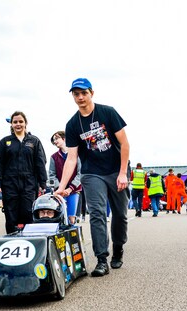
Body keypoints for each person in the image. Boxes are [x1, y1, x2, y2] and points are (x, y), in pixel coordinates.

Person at [55, 78, 130, 277]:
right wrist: (62, 187)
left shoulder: (108, 112)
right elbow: (71, 159)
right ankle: (101, 259)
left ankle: (119, 247)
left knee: (120, 215)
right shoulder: (73, 124)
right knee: (96, 214)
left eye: (83, 93)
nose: (80, 97)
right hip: (92, 172)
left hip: (116, 170)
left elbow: (124, 144)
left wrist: (123, 173)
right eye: (76, 94)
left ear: (91, 93)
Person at [0, 111, 47, 234]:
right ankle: (12, 239)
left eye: (21, 121)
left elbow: (40, 162)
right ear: (11, 124)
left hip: (29, 183)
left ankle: (29, 240)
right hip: (9, 183)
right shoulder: (5, 142)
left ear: (25, 123)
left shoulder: (34, 141)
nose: (18, 124)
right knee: (11, 214)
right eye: (15, 122)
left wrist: (43, 183)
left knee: (28, 212)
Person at [49, 130, 82, 225]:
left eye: (57, 138)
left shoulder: (77, 154)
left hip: (74, 191)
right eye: (53, 140)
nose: (55, 141)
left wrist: (70, 188)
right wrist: (60, 188)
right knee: (61, 218)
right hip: (59, 192)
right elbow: (51, 175)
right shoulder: (53, 157)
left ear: (64, 138)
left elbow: (80, 173)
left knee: (71, 219)